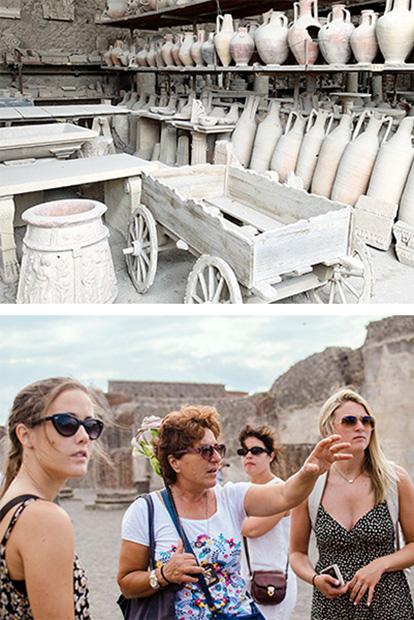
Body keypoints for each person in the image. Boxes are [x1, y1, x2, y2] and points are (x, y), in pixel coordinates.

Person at [117, 405, 351, 620]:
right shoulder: (145, 510)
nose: (217, 458)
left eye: (218, 448)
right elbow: (127, 583)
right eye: (205, 451)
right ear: (174, 462)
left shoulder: (232, 496)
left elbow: (285, 495)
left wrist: (311, 471)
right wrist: (163, 575)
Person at [289, 387, 414, 620]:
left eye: (367, 420)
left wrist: (380, 565)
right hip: (331, 608)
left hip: (389, 606)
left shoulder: (396, 479)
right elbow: (296, 553)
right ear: (328, 428)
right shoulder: (311, 483)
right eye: (349, 421)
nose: (360, 427)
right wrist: (315, 579)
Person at [0, 376, 105, 620]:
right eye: (66, 423)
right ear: (25, 435)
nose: (83, 437)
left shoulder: (10, 503)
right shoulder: (43, 517)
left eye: (91, 426)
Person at [238, 424, 297, 620]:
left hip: (273, 582)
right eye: (244, 451)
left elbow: (254, 529)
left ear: (270, 456)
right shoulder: (242, 491)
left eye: (256, 451)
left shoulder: (279, 489)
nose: (248, 456)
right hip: (246, 580)